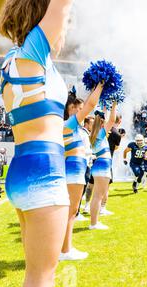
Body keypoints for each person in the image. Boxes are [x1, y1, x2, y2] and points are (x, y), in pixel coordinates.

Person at [0, 0, 74, 287]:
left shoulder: (12, 60)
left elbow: (45, 118)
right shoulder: (34, 51)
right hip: (44, 169)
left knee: (36, 277)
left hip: (21, 169)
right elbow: (63, 4)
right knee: (41, 282)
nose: (66, 27)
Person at [60, 85, 103, 261]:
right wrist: (99, 85)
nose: (79, 111)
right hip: (74, 167)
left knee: (71, 210)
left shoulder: (73, 127)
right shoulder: (69, 124)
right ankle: (65, 250)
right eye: (75, 109)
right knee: (71, 211)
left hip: (74, 166)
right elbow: (91, 104)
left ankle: (64, 248)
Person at [89, 102, 118, 230]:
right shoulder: (100, 133)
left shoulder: (96, 134)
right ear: (101, 123)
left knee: (98, 196)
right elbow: (112, 119)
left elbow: (107, 119)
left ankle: (95, 222)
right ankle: (93, 224)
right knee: (97, 196)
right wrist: (115, 104)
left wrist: (105, 106)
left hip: (100, 165)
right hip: (102, 165)